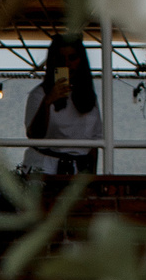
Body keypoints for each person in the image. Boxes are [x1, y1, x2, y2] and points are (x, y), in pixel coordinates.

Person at [25, 34, 101, 176]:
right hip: (45, 168)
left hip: (79, 170)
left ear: (81, 61)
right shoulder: (39, 94)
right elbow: (34, 135)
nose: (67, 64)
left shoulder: (89, 96)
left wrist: (93, 178)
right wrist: (47, 102)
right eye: (61, 59)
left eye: (72, 58)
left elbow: (94, 143)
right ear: (53, 62)